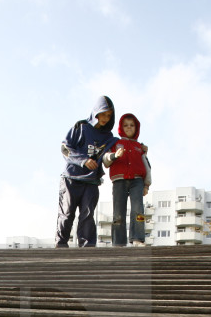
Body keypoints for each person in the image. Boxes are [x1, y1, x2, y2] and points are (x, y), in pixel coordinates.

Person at [56, 96, 119, 248]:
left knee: (87, 216)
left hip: (91, 181)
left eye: (109, 115)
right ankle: (61, 246)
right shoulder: (81, 127)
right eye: (103, 113)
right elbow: (65, 148)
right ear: (96, 112)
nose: (105, 118)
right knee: (67, 214)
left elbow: (114, 152)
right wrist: (83, 160)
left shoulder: (109, 138)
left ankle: (87, 250)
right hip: (71, 178)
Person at [107, 113, 152, 246]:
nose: (129, 128)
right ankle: (118, 243)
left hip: (137, 181)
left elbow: (147, 165)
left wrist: (146, 185)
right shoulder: (115, 143)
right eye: (126, 125)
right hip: (118, 181)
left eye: (132, 125)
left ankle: (138, 238)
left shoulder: (139, 147)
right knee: (118, 213)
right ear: (121, 127)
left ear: (136, 128)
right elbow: (106, 160)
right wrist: (114, 155)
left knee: (138, 210)